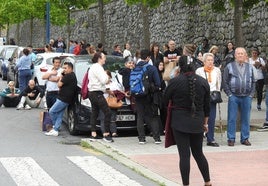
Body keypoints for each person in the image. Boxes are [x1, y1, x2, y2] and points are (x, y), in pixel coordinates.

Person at [164, 51, 212, 186]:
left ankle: (186, 184)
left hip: (179, 121)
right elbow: (207, 107)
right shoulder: (203, 82)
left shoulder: (174, 82)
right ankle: (208, 182)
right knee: (199, 153)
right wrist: (206, 124)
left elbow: (164, 101)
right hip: (197, 121)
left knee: (184, 155)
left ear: (180, 67)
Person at [223, 47, 256, 146]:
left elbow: (254, 81)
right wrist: (229, 94)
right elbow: (225, 81)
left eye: (242, 54)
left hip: (246, 96)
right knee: (232, 118)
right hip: (234, 96)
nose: (240, 55)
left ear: (245, 56)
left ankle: (245, 138)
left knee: (246, 118)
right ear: (235, 55)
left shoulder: (250, 67)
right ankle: (231, 138)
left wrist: (251, 95)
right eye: (238, 54)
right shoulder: (229, 66)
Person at [134, 49, 161, 144]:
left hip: (138, 95)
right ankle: (156, 137)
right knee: (153, 116)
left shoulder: (135, 67)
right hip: (150, 95)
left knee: (140, 116)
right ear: (148, 57)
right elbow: (158, 83)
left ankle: (141, 138)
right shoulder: (152, 68)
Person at [45, 62, 77, 136]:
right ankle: (56, 130)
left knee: (52, 111)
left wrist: (61, 76)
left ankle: (54, 126)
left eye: (65, 68)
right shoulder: (73, 75)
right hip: (67, 98)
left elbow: (59, 84)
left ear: (70, 68)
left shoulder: (68, 76)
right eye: (63, 68)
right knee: (60, 114)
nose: (64, 70)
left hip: (63, 98)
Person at [196, 53, 222, 147]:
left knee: (211, 118)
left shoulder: (217, 70)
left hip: (212, 96)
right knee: (200, 117)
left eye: (212, 60)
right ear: (204, 61)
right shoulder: (199, 71)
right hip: (202, 96)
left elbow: (219, 83)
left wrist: (217, 92)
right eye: (208, 60)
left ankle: (210, 138)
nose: (210, 62)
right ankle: (199, 136)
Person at [87, 52, 114, 142]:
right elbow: (104, 80)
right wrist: (108, 78)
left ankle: (93, 134)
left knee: (94, 113)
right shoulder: (98, 67)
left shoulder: (92, 67)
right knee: (107, 112)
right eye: (104, 57)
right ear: (99, 58)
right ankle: (106, 134)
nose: (105, 59)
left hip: (91, 92)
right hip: (97, 93)